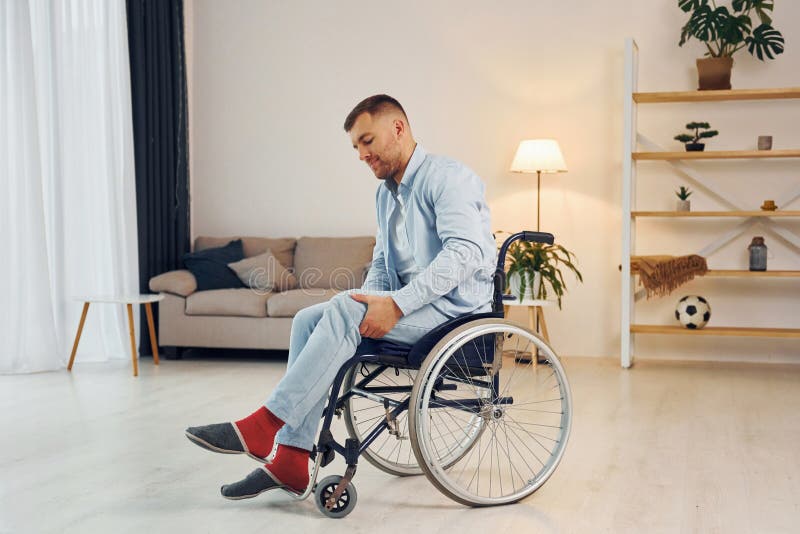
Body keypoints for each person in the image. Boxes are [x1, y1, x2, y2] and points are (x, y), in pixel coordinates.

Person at [185, 94, 496, 499]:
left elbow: (466, 253)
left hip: (457, 316)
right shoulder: (386, 195)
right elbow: (383, 264)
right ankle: (292, 458)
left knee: (344, 309)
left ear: (398, 128)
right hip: (416, 309)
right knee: (309, 318)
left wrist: (397, 305)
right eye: (356, 147)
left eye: (367, 141)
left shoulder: (448, 178)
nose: (362, 155)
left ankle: (265, 425)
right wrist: (376, 302)